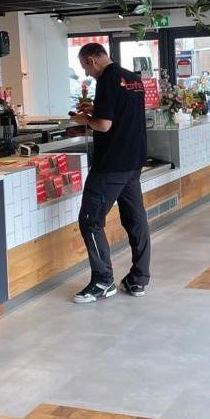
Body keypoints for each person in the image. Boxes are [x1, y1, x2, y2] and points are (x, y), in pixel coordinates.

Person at [69, 43, 150, 303]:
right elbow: (121, 114)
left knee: (90, 220)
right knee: (136, 220)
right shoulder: (133, 79)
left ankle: (103, 281)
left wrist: (84, 120)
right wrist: (96, 111)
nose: (87, 73)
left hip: (111, 164)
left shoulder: (106, 80)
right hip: (133, 162)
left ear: (92, 60)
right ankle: (138, 279)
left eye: (86, 67)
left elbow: (104, 126)